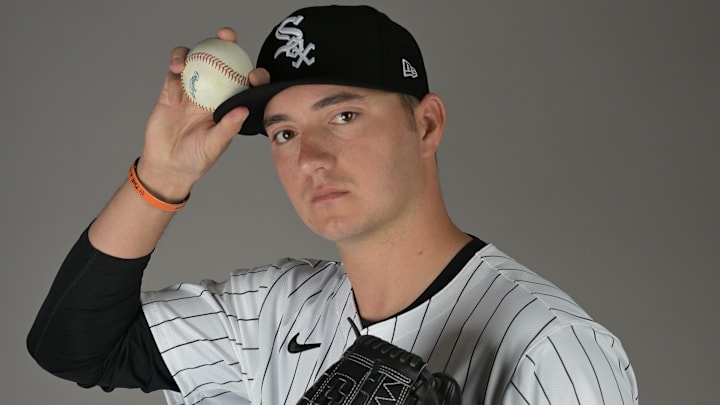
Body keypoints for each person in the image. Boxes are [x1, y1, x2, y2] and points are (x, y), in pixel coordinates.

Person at [27, 5, 638, 405]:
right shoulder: (273, 311)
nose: (310, 157)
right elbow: (74, 346)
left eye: (344, 116)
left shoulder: (550, 346)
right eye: (284, 133)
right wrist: (161, 176)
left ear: (426, 125)